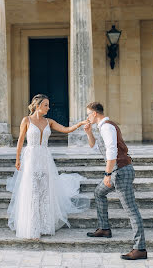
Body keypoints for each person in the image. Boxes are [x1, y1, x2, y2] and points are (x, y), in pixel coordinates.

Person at [6, 94, 90, 239]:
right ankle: (32, 227)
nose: (48, 107)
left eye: (48, 105)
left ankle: (44, 225)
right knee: (32, 190)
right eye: (46, 105)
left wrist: (80, 124)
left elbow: (65, 129)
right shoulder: (26, 120)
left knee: (44, 190)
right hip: (31, 157)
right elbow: (20, 141)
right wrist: (17, 159)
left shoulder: (48, 121)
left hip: (44, 158)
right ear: (37, 105)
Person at [84, 102, 147, 260]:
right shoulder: (101, 127)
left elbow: (112, 150)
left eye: (88, 114)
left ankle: (140, 248)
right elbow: (93, 145)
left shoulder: (107, 127)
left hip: (120, 172)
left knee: (131, 210)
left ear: (95, 114)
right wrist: (88, 132)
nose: (87, 117)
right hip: (116, 171)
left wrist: (107, 173)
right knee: (99, 193)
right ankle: (104, 228)